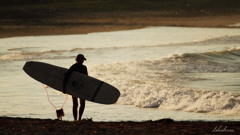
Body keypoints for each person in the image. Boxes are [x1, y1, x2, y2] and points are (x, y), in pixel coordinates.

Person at [63, 54, 88, 121]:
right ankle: (75, 119)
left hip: (81, 87)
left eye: (83, 60)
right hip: (73, 87)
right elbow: (67, 77)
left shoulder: (84, 68)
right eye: (81, 59)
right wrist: (64, 87)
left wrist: (86, 89)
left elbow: (87, 79)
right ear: (77, 59)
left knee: (82, 104)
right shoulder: (73, 67)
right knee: (75, 104)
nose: (82, 61)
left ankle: (79, 118)